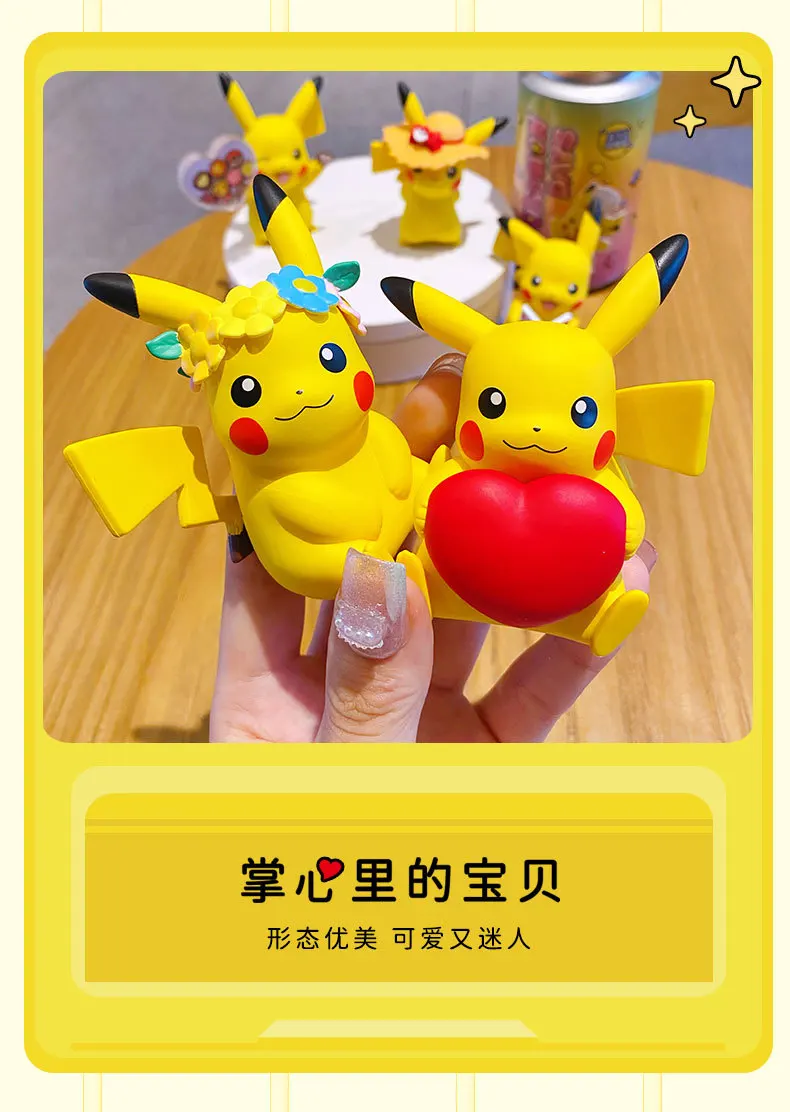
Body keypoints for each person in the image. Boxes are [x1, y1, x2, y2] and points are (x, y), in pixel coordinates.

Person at [209, 354, 656, 744]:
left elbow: (627, 524)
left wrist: (623, 528)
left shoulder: (380, 435)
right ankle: (417, 592)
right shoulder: (452, 475)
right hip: (430, 565)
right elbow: (426, 498)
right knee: (417, 582)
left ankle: (596, 619)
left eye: (330, 359)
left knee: (575, 579)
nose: (537, 429)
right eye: (494, 404)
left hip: (541, 567)